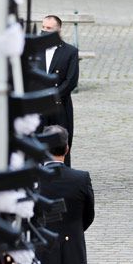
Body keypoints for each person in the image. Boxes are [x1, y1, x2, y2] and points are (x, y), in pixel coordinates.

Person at [37, 125, 95, 264]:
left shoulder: (33, 180)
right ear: (67, 148)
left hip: (42, 251)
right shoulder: (81, 179)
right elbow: (88, 214)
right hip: (73, 249)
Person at [40, 15, 79, 166]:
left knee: (60, 143)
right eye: (43, 27)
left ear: (58, 30)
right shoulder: (34, 50)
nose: (44, 30)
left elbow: (71, 81)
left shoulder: (70, 52)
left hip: (60, 106)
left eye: (49, 28)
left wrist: (53, 96)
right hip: (37, 106)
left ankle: (63, 177)